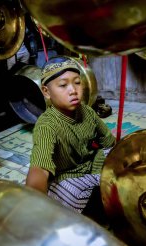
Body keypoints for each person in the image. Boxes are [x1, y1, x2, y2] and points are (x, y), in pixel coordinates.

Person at [26, 56, 115, 216]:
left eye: (77, 82)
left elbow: (109, 142)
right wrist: (34, 204)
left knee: (118, 159)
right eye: (63, 85)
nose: (73, 90)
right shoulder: (46, 125)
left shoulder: (88, 111)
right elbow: (39, 168)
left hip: (93, 165)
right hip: (68, 176)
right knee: (61, 201)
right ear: (46, 92)